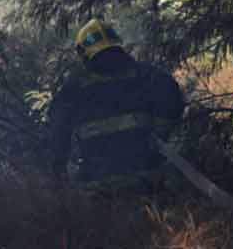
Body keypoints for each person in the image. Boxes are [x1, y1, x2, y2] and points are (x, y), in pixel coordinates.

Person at [49, 18, 185, 193]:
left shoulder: (72, 90)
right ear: (116, 45)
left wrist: (56, 177)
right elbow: (171, 106)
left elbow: (58, 138)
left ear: (83, 53)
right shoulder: (150, 77)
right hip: (147, 183)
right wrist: (158, 135)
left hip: (97, 190)